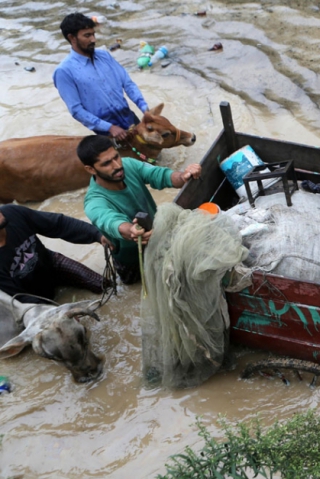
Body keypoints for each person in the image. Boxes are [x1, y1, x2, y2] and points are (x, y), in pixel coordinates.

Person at [76, 135, 201, 284]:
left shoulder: (128, 165)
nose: (117, 165)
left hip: (158, 238)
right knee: (137, 287)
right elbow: (110, 221)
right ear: (91, 169)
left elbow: (159, 175)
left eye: (116, 157)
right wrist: (131, 230)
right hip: (131, 259)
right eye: (107, 163)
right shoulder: (94, 202)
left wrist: (183, 176)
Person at [54, 13, 149, 141]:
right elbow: (76, 110)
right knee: (125, 161)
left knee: (153, 155)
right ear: (72, 38)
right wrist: (109, 128)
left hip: (130, 118)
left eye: (93, 34)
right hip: (107, 133)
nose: (93, 40)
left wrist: (145, 109)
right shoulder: (64, 71)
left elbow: (128, 83)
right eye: (87, 35)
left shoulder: (105, 56)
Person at [0, 205, 112, 304]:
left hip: (51, 264)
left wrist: (97, 234)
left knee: (105, 286)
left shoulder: (12, 212)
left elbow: (58, 224)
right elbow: (18, 300)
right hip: (30, 295)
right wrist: (55, 311)